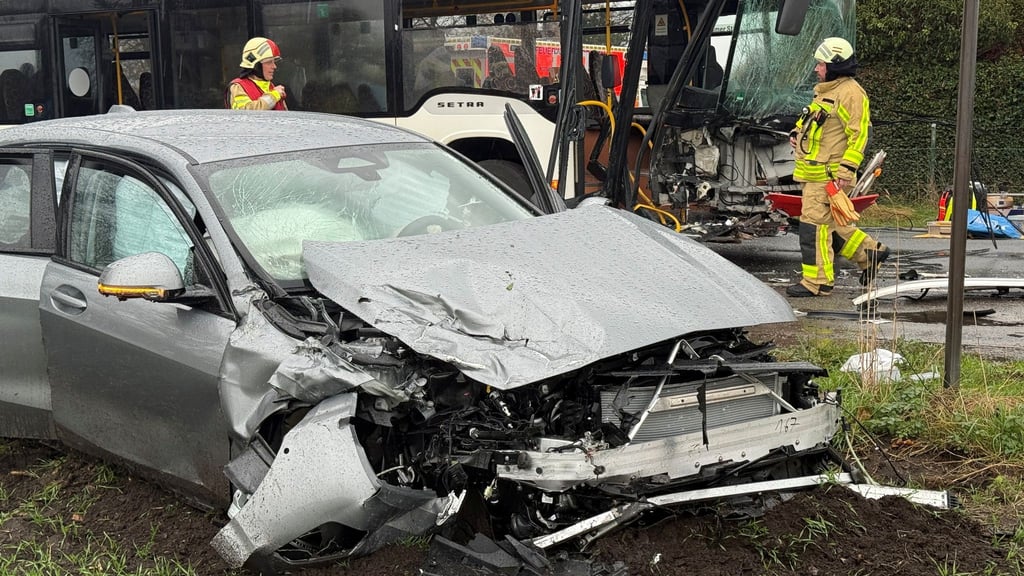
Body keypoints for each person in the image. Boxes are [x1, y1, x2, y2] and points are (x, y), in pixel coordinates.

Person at [786, 37, 889, 298]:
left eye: (820, 64)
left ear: (834, 66)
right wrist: (796, 133)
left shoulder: (851, 93)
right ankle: (870, 253)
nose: (816, 69)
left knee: (813, 229)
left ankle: (817, 282)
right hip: (816, 175)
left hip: (829, 176)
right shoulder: (826, 92)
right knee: (834, 228)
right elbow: (815, 124)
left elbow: (859, 135)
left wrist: (846, 170)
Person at [225, 37, 288, 110]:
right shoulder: (238, 87)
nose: (274, 66)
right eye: (269, 62)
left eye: (274, 62)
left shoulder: (272, 88)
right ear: (255, 65)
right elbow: (246, 113)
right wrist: (273, 96)